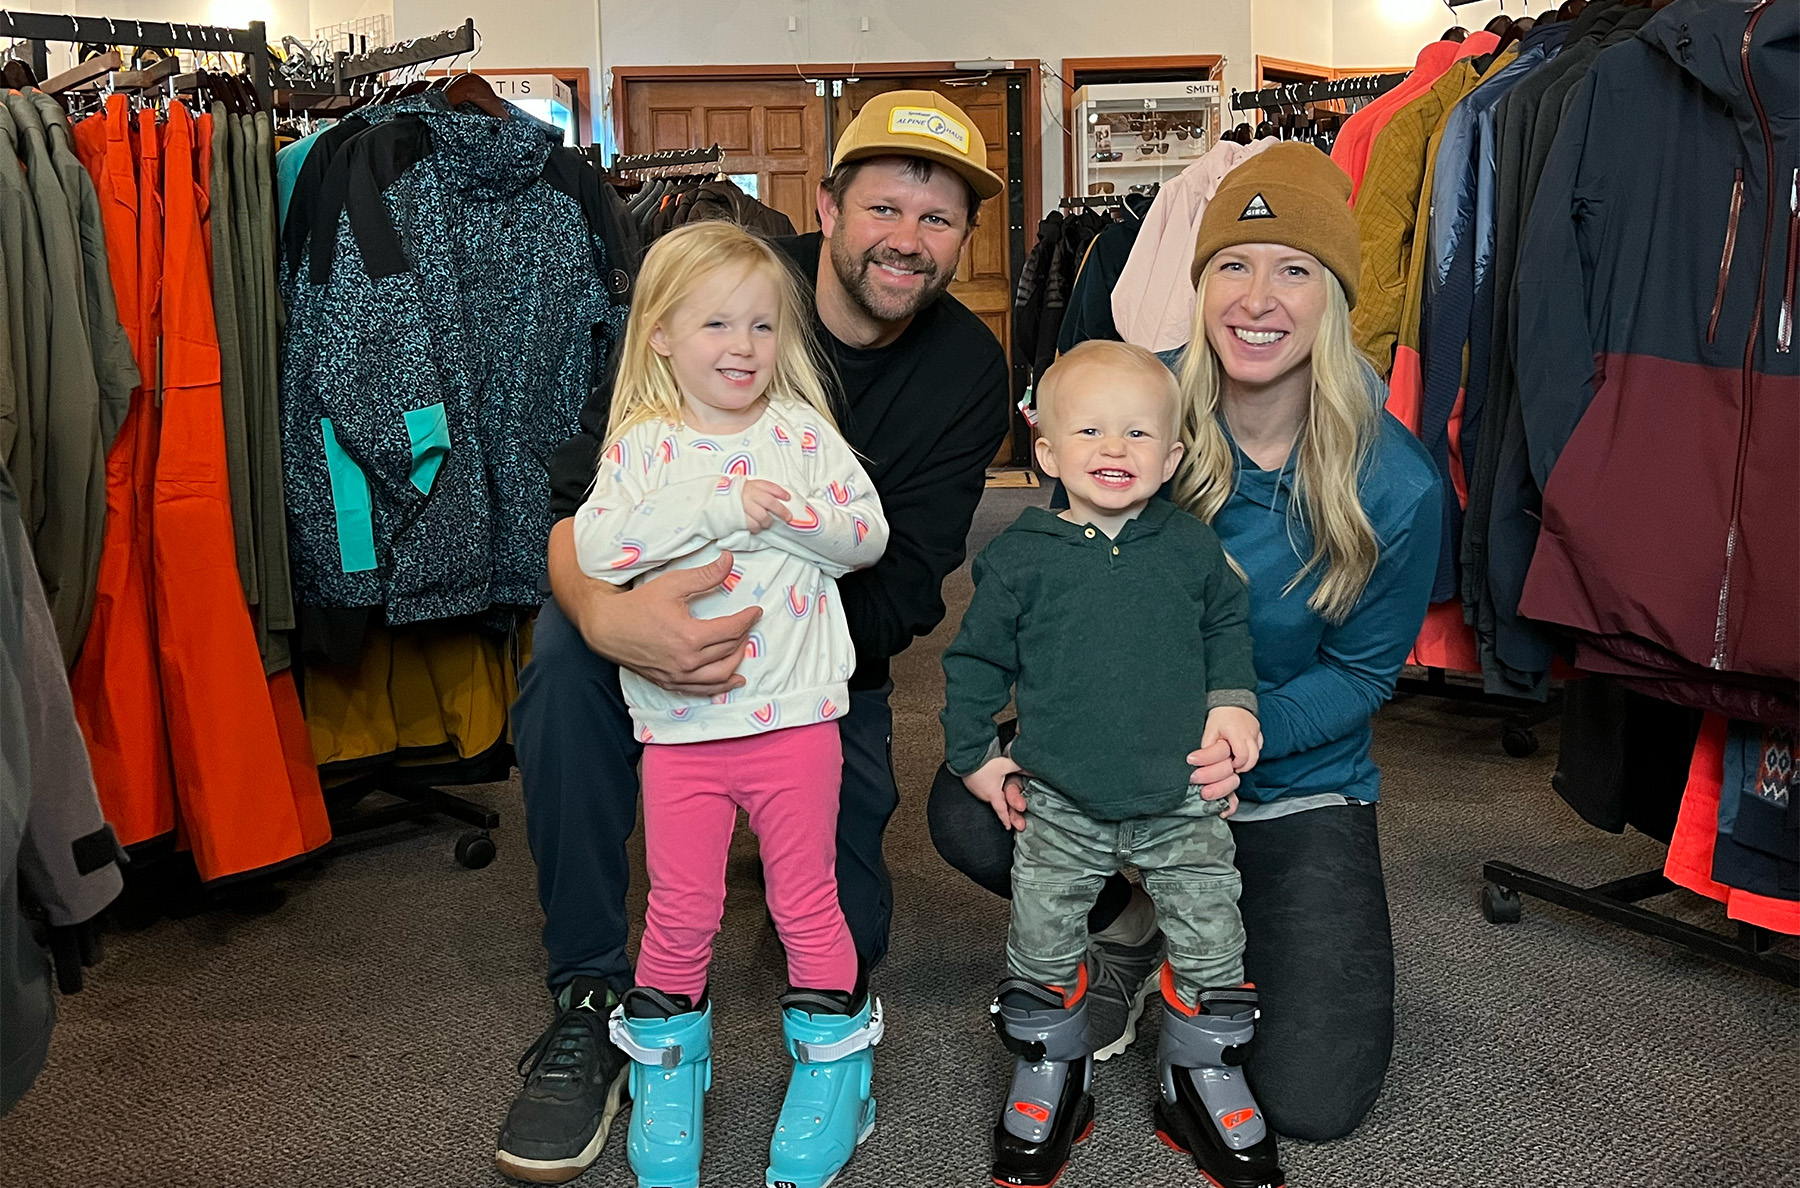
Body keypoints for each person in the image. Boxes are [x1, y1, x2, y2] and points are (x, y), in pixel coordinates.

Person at [496, 90, 1011, 1185]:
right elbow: (574, 518)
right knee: (560, 671)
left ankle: (834, 1050)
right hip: (644, 625)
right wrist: (619, 620)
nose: (907, 242)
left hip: (813, 672)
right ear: (828, 206)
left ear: (964, 237)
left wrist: (772, 654)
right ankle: (591, 996)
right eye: (885, 207)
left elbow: (908, 575)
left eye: (938, 220)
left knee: (835, 925)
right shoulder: (721, 288)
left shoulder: (965, 366)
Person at [928, 143, 1444, 1148]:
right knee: (972, 807)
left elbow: (1364, 672)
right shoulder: (1134, 412)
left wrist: (1241, 731)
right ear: (1199, 284)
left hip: (1290, 779)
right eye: (1233, 266)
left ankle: (1184, 916)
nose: (1259, 297)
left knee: (1312, 1099)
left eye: (1295, 269)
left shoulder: (1399, 483)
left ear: (1334, 297)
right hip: (1122, 758)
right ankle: (1128, 921)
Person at [572, 221, 891, 1188]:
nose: (742, 347)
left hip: (796, 720)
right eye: (716, 324)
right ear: (662, 335)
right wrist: (721, 507)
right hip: (681, 730)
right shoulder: (641, 449)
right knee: (679, 904)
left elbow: (867, 535)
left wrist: (794, 515)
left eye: (761, 324)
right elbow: (597, 552)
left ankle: (838, 1069)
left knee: (808, 903)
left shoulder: (803, 433)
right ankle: (675, 1067)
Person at [940, 340, 1283, 1188]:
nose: (1113, 450)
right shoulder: (1021, 555)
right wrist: (977, 756)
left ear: (1171, 457)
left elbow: (1225, 632)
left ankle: (1200, 1071)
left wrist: (1233, 703)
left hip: (1179, 798)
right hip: (1061, 796)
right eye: (1089, 431)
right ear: (1049, 453)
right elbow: (975, 663)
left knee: (1212, 930)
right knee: (1044, 933)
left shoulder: (1192, 548)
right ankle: (1053, 1064)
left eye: (1137, 434)